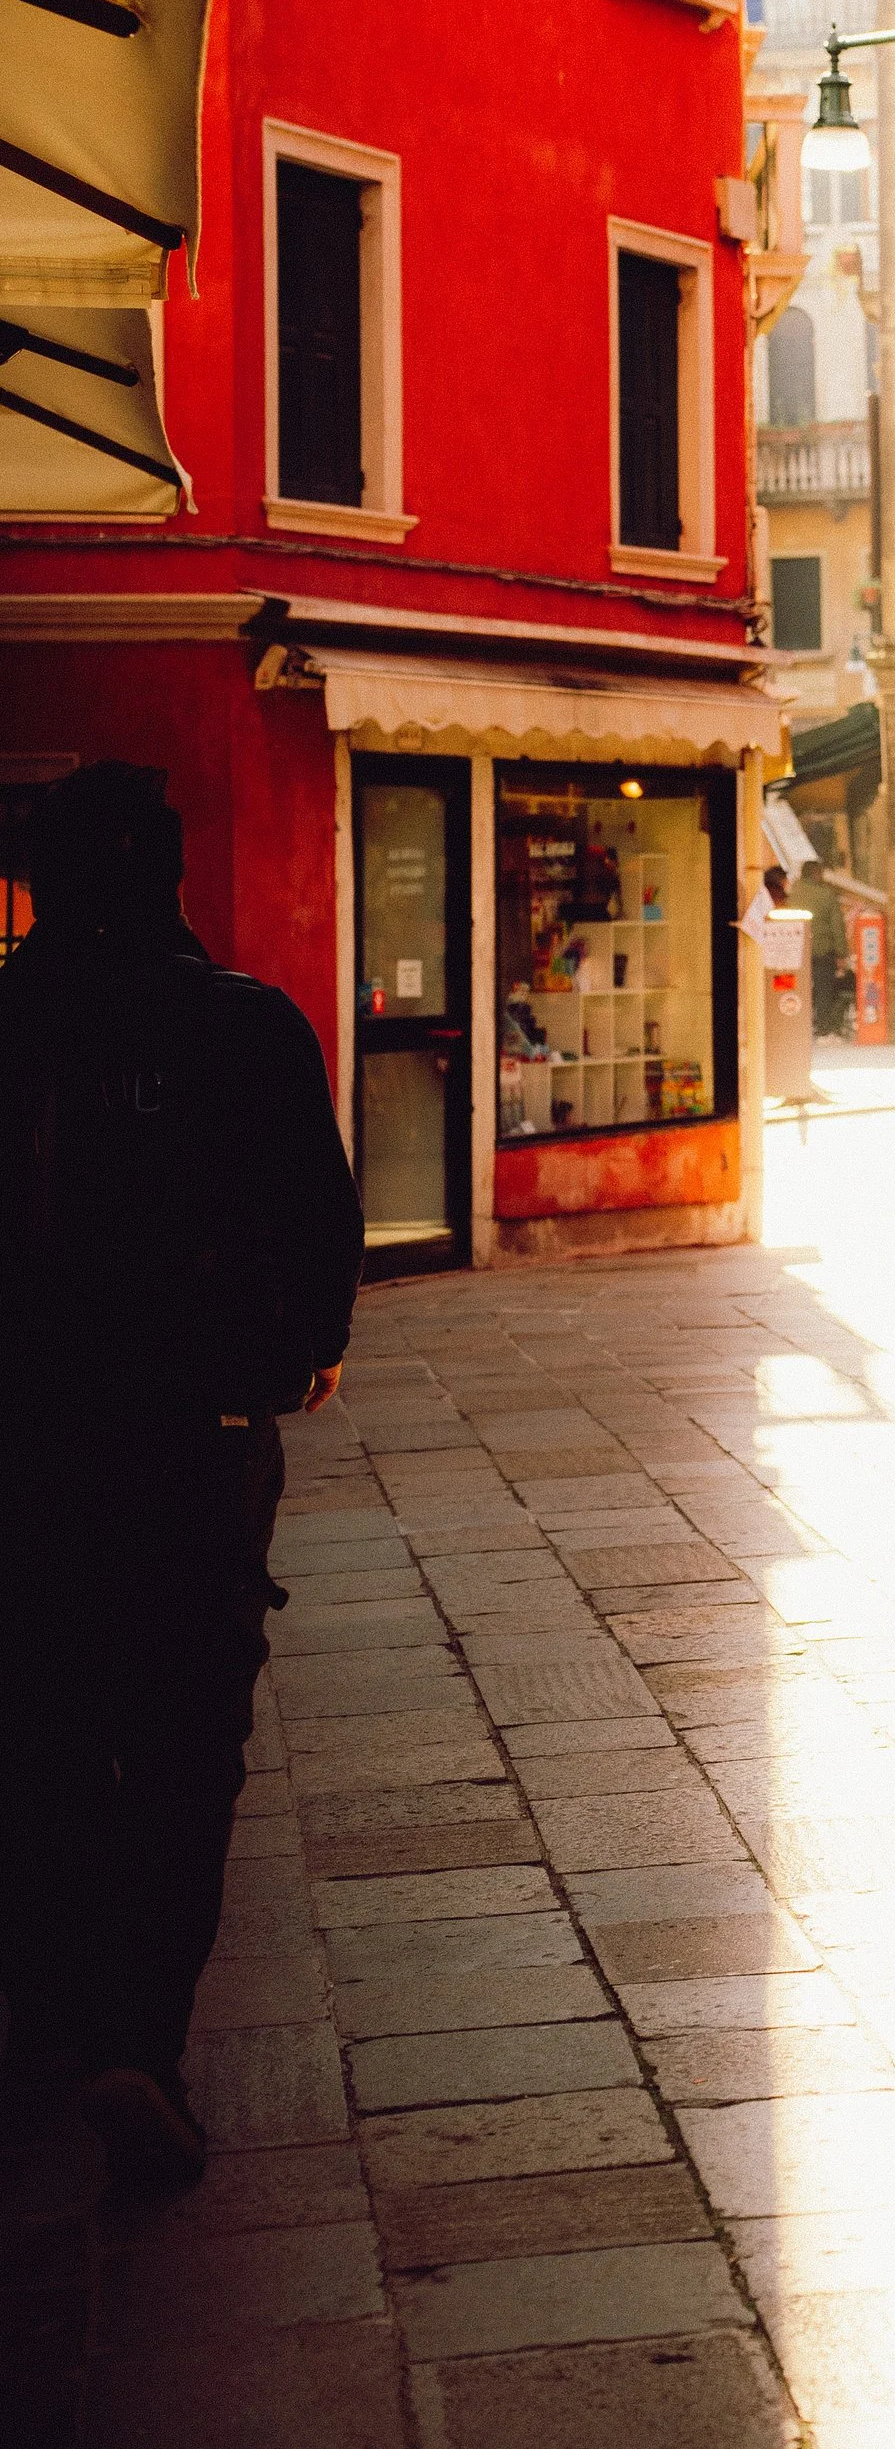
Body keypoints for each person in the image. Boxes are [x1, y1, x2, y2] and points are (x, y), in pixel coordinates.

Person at [0, 763, 364, 2191]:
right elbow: (322, 1234)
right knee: (180, 1743)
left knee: (35, 1722)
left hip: (21, 1443)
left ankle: (57, 2010)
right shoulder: (247, 1026)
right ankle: (136, 2040)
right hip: (189, 1445)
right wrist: (292, 1359)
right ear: (167, 878)